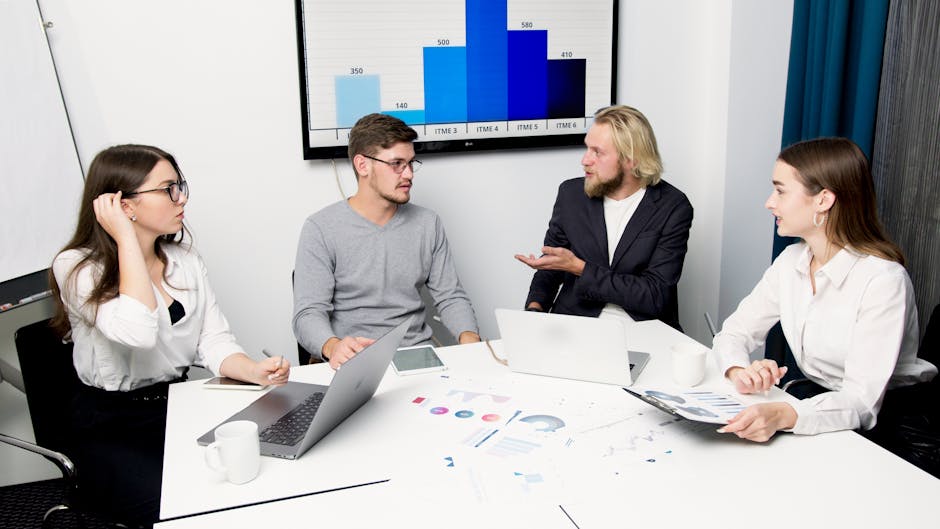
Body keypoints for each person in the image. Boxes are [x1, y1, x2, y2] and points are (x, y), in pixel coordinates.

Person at [50, 144, 290, 527]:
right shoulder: (77, 268)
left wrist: (252, 370)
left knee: (252, 484)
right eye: (168, 189)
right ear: (123, 206)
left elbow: (213, 341)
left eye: (180, 186)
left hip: (177, 406)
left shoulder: (186, 262)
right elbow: (138, 332)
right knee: (185, 512)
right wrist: (128, 241)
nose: (182, 198)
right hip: (111, 424)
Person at [712, 137, 937, 452]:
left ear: (823, 200)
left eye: (780, 191)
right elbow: (733, 334)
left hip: (893, 426)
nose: (769, 202)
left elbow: (861, 401)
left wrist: (783, 414)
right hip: (820, 406)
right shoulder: (790, 262)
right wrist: (740, 371)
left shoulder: (883, 281)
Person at [293, 113, 481, 369]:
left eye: (411, 163)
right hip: (354, 362)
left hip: (416, 357)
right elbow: (308, 314)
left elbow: (450, 297)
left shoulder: (428, 223)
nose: (409, 174)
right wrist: (333, 346)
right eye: (397, 164)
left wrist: (470, 341)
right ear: (363, 165)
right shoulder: (320, 228)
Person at [516, 105, 693, 330]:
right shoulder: (571, 195)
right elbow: (551, 268)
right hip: (576, 325)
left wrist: (581, 269)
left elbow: (655, 294)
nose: (585, 160)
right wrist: (534, 309)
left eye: (597, 152)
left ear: (632, 159)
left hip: (644, 330)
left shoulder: (672, 206)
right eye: (587, 148)